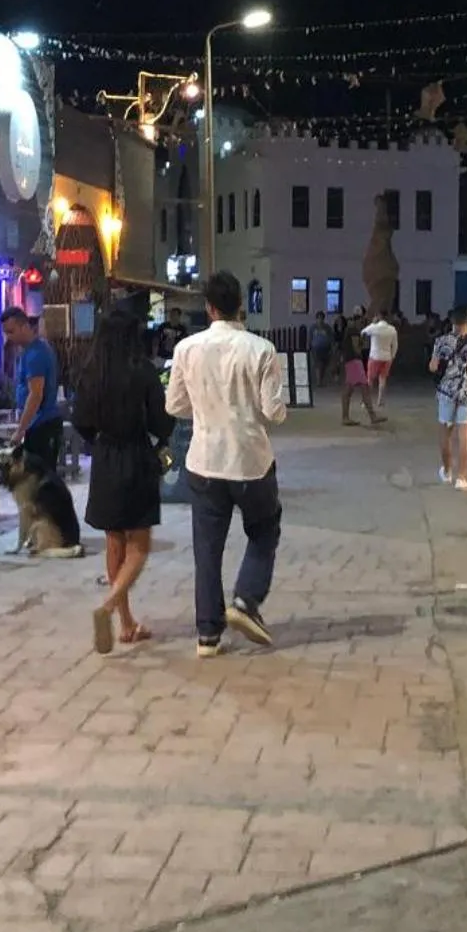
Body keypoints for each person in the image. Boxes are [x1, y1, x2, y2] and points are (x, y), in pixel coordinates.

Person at [164, 272, 286, 657]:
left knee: (207, 548)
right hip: (250, 460)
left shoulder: (186, 348)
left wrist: (204, 408)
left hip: (204, 461)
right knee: (264, 530)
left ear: (209, 308)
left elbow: (174, 406)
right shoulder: (262, 350)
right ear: (241, 307)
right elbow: (274, 413)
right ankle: (246, 601)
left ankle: (207, 634)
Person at [72, 312, 174, 654]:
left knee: (114, 539)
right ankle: (109, 604)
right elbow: (162, 422)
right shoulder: (142, 370)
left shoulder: (91, 371)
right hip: (135, 454)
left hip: (104, 457)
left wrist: (100, 439)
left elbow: (80, 422)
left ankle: (127, 623)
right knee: (140, 544)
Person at [431, 305, 467, 491]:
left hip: (447, 392)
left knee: (445, 432)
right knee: (464, 435)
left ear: (452, 321)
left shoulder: (441, 341)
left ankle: (447, 471)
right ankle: (462, 477)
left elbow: (433, 367)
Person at [3, 306, 65, 472]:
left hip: (42, 425)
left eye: (11, 331)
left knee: (39, 483)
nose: (8, 337)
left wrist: (20, 430)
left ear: (24, 327)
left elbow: (36, 394)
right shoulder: (33, 350)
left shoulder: (35, 354)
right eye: (6, 333)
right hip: (39, 424)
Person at [339, 312, 383, 427]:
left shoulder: (351, 330)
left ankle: (346, 417)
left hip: (351, 361)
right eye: (362, 322)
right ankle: (372, 416)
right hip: (354, 361)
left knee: (350, 390)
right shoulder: (353, 331)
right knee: (363, 388)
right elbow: (357, 349)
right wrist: (363, 341)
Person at [362, 309, 399, 413]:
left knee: (370, 380)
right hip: (387, 357)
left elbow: (363, 332)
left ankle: (366, 401)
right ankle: (380, 400)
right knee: (382, 379)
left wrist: (372, 323)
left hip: (374, 356)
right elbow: (395, 345)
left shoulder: (374, 328)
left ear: (378, 316)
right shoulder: (392, 329)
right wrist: (392, 356)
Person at [310, 310, 334, 386]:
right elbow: (310, 338)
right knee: (318, 364)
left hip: (325, 347)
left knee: (324, 364)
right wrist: (310, 346)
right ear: (316, 319)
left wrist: (331, 347)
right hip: (316, 347)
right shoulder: (313, 328)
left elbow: (331, 338)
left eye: (321, 318)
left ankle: (321, 379)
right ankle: (318, 382)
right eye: (318, 318)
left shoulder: (327, 328)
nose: (320, 320)